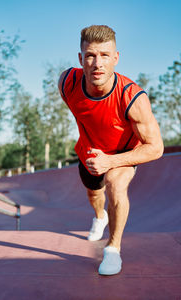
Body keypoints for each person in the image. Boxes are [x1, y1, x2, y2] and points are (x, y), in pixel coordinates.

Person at [58, 25, 164, 276]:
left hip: (122, 153)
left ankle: (113, 249)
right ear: (80, 59)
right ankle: (100, 217)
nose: (98, 63)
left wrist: (111, 161)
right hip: (89, 152)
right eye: (91, 55)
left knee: (115, 184)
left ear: (116, 58)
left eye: (105, 55)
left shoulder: (132, 97)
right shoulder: (66, 82)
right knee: (94, 195)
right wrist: (95, 152)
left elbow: (156, 147)